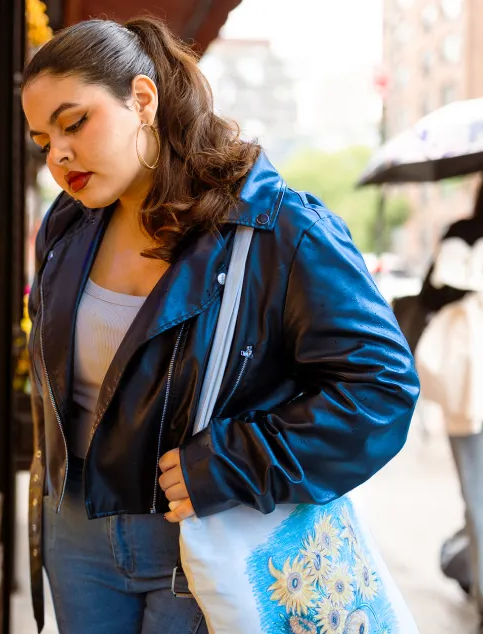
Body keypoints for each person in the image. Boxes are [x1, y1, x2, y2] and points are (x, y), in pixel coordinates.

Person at [22, 17, 419, 633]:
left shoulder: (278, 228)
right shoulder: (66, 228)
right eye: (43, 140)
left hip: (209, 536)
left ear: (143, 99)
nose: (60, 155)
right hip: (76, 538)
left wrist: (237, 460)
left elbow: (381, 389)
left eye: (75, 123)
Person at [415, 181, 483, 620]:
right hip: (468, 388)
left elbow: (429, 297)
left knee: (478, 496)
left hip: (470, 389)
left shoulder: (462, 234)